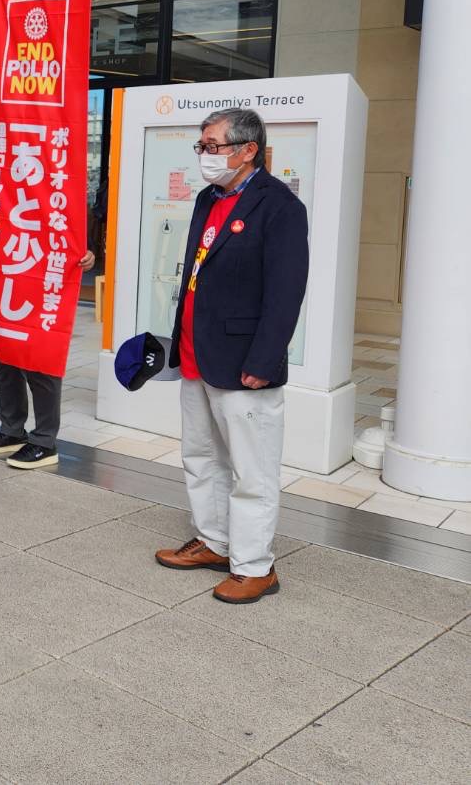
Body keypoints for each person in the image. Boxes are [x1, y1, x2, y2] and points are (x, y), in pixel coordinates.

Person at [154, 109, 308, 605]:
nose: (204, 155)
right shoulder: (208, 198)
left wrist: (264, 361)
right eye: (201, 146)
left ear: (247, 151)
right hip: (199, 356)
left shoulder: (280, 206)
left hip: (244, 363)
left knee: (251, 469)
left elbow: (286, 294)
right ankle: (214, 541)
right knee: (200, 458)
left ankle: (255, 566)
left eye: (213, 146)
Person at [0, 136, 97, 470]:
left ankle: (44, 439)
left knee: (40, 360)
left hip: (40, 285)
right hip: (7, 284)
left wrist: (85, 256)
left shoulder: (51, 191)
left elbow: (74, 240)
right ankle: (12, 429)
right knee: (6, 358)